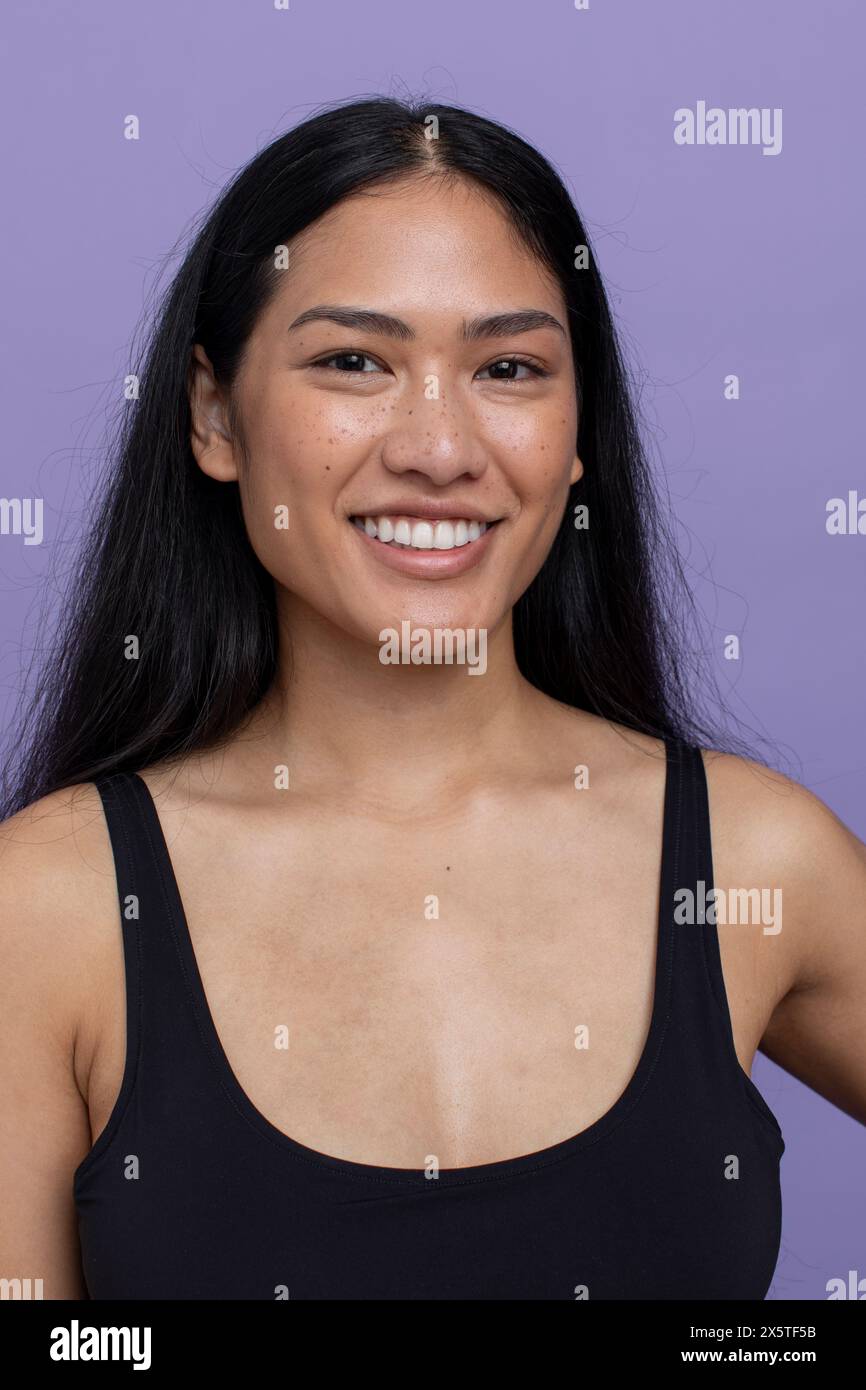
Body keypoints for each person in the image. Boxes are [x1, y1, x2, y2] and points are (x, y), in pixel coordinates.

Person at [1, 97, 864, 1301]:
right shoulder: (45, 910)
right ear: (213, 415)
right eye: (353, 360)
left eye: (507, 368)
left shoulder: (754, 860)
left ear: (575, 439)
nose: (439, 448)